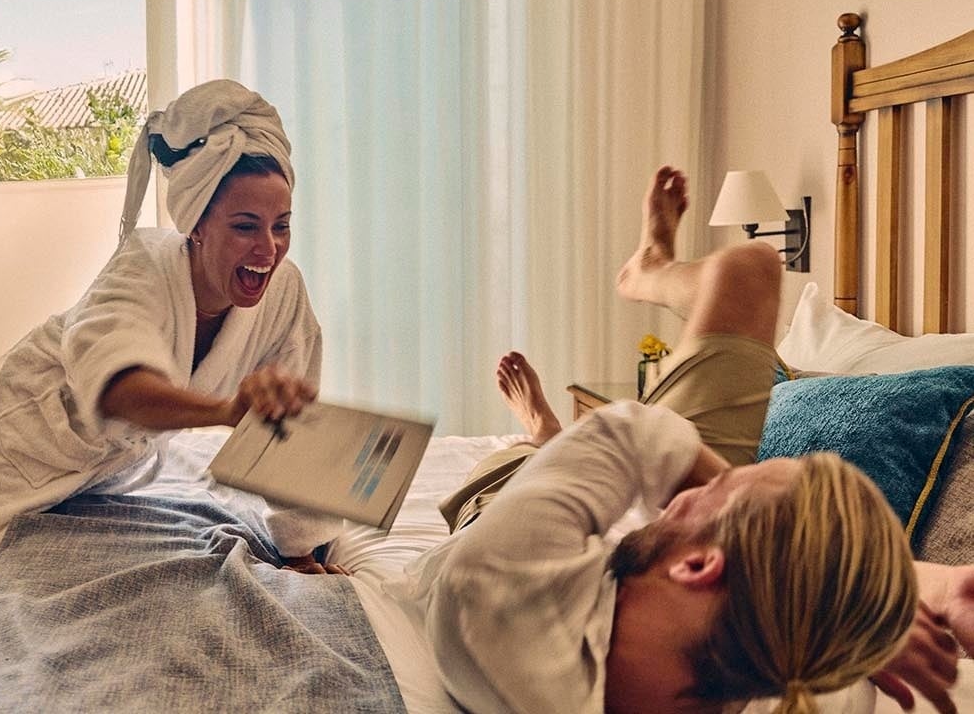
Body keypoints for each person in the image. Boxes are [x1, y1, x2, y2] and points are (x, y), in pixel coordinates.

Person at [413, 166, 973, 714]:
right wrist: (877, 599)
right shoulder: (779, 662)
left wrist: (862, 594)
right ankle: (650, 269)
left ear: (699, 566)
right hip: (706, 570)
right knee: (751, 270)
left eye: (713, 485)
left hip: (513, 525)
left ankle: (543, 436)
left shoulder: (497, 586)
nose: (680, 491)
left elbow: (628, 432)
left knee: (516, 468)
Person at [0, 79, 342, 604]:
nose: (268, 249)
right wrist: (225, 411)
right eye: (246, 227)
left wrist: (300, 552)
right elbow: (120, 388)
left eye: (281, 226)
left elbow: (291, 417)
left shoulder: (284, 294)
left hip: (114, 484)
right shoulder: (142, 269)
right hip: (29, 465)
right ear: (197, 225)